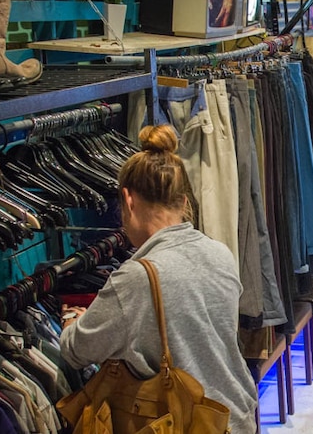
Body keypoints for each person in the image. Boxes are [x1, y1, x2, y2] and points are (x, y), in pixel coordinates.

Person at [59, 125, 258, 433]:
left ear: (128, 200)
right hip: (234, 417)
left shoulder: (136, 279)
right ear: (182, 201)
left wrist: (72, 320)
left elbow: (75, 352)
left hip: (182, 424)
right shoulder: (220, 254)